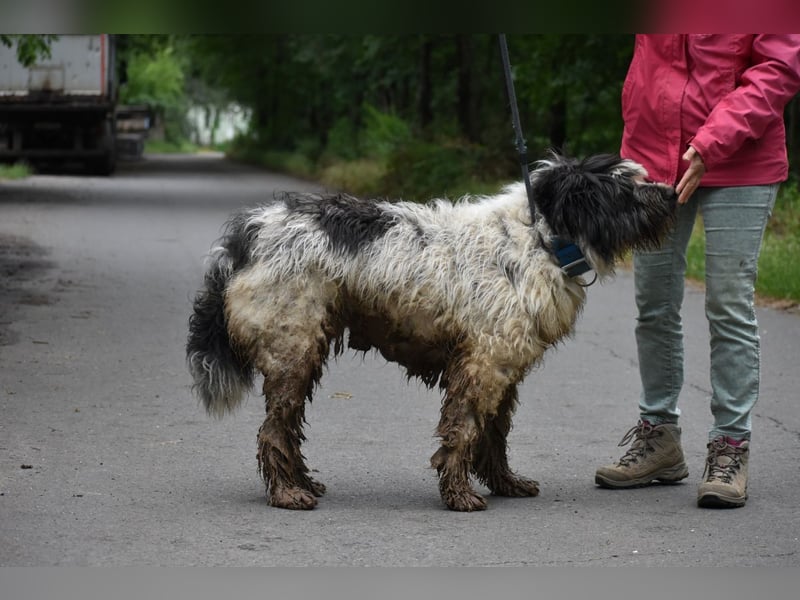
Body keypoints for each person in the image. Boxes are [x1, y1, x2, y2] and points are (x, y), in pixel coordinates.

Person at [595, 34, 800, 508]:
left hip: (744, 159)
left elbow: (779, 69)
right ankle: (659, 437)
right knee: (653, 301)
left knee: (728, 302)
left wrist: (711, 141)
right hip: (654, 152)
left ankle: (730, 444)